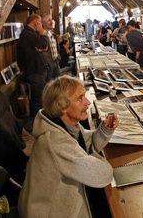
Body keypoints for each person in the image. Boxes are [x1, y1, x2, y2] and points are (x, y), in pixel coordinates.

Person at [18, 75, 119, 218]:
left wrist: (104, 130)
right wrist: (95, 158)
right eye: (80, 98)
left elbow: (84, 142)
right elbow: (103, 174)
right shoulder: (56, 142)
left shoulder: (63, 125)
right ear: (62, 106)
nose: (88, 102)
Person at [16, 13, 49, 121]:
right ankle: (36, 124)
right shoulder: (28, 34)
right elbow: (43, 44)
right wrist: (42, 32)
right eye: (39, 22)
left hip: (37, 71)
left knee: (39, 99)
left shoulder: (30, 33)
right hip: (35, 72)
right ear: (35, 21)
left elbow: (44, 47)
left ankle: (39, 122)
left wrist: (41, 46)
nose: (41, 25)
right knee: (37, 101)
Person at [42, 14, 61, 81]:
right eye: (49, 20)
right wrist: (48, 64)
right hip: (49, 65)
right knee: (50, 84)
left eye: (51, 20)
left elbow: (55, 47)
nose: (52, 22)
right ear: (43, 23)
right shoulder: (42, 35)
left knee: (59, 82)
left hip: (56, 61)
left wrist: (58, 57)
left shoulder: (51, 33)